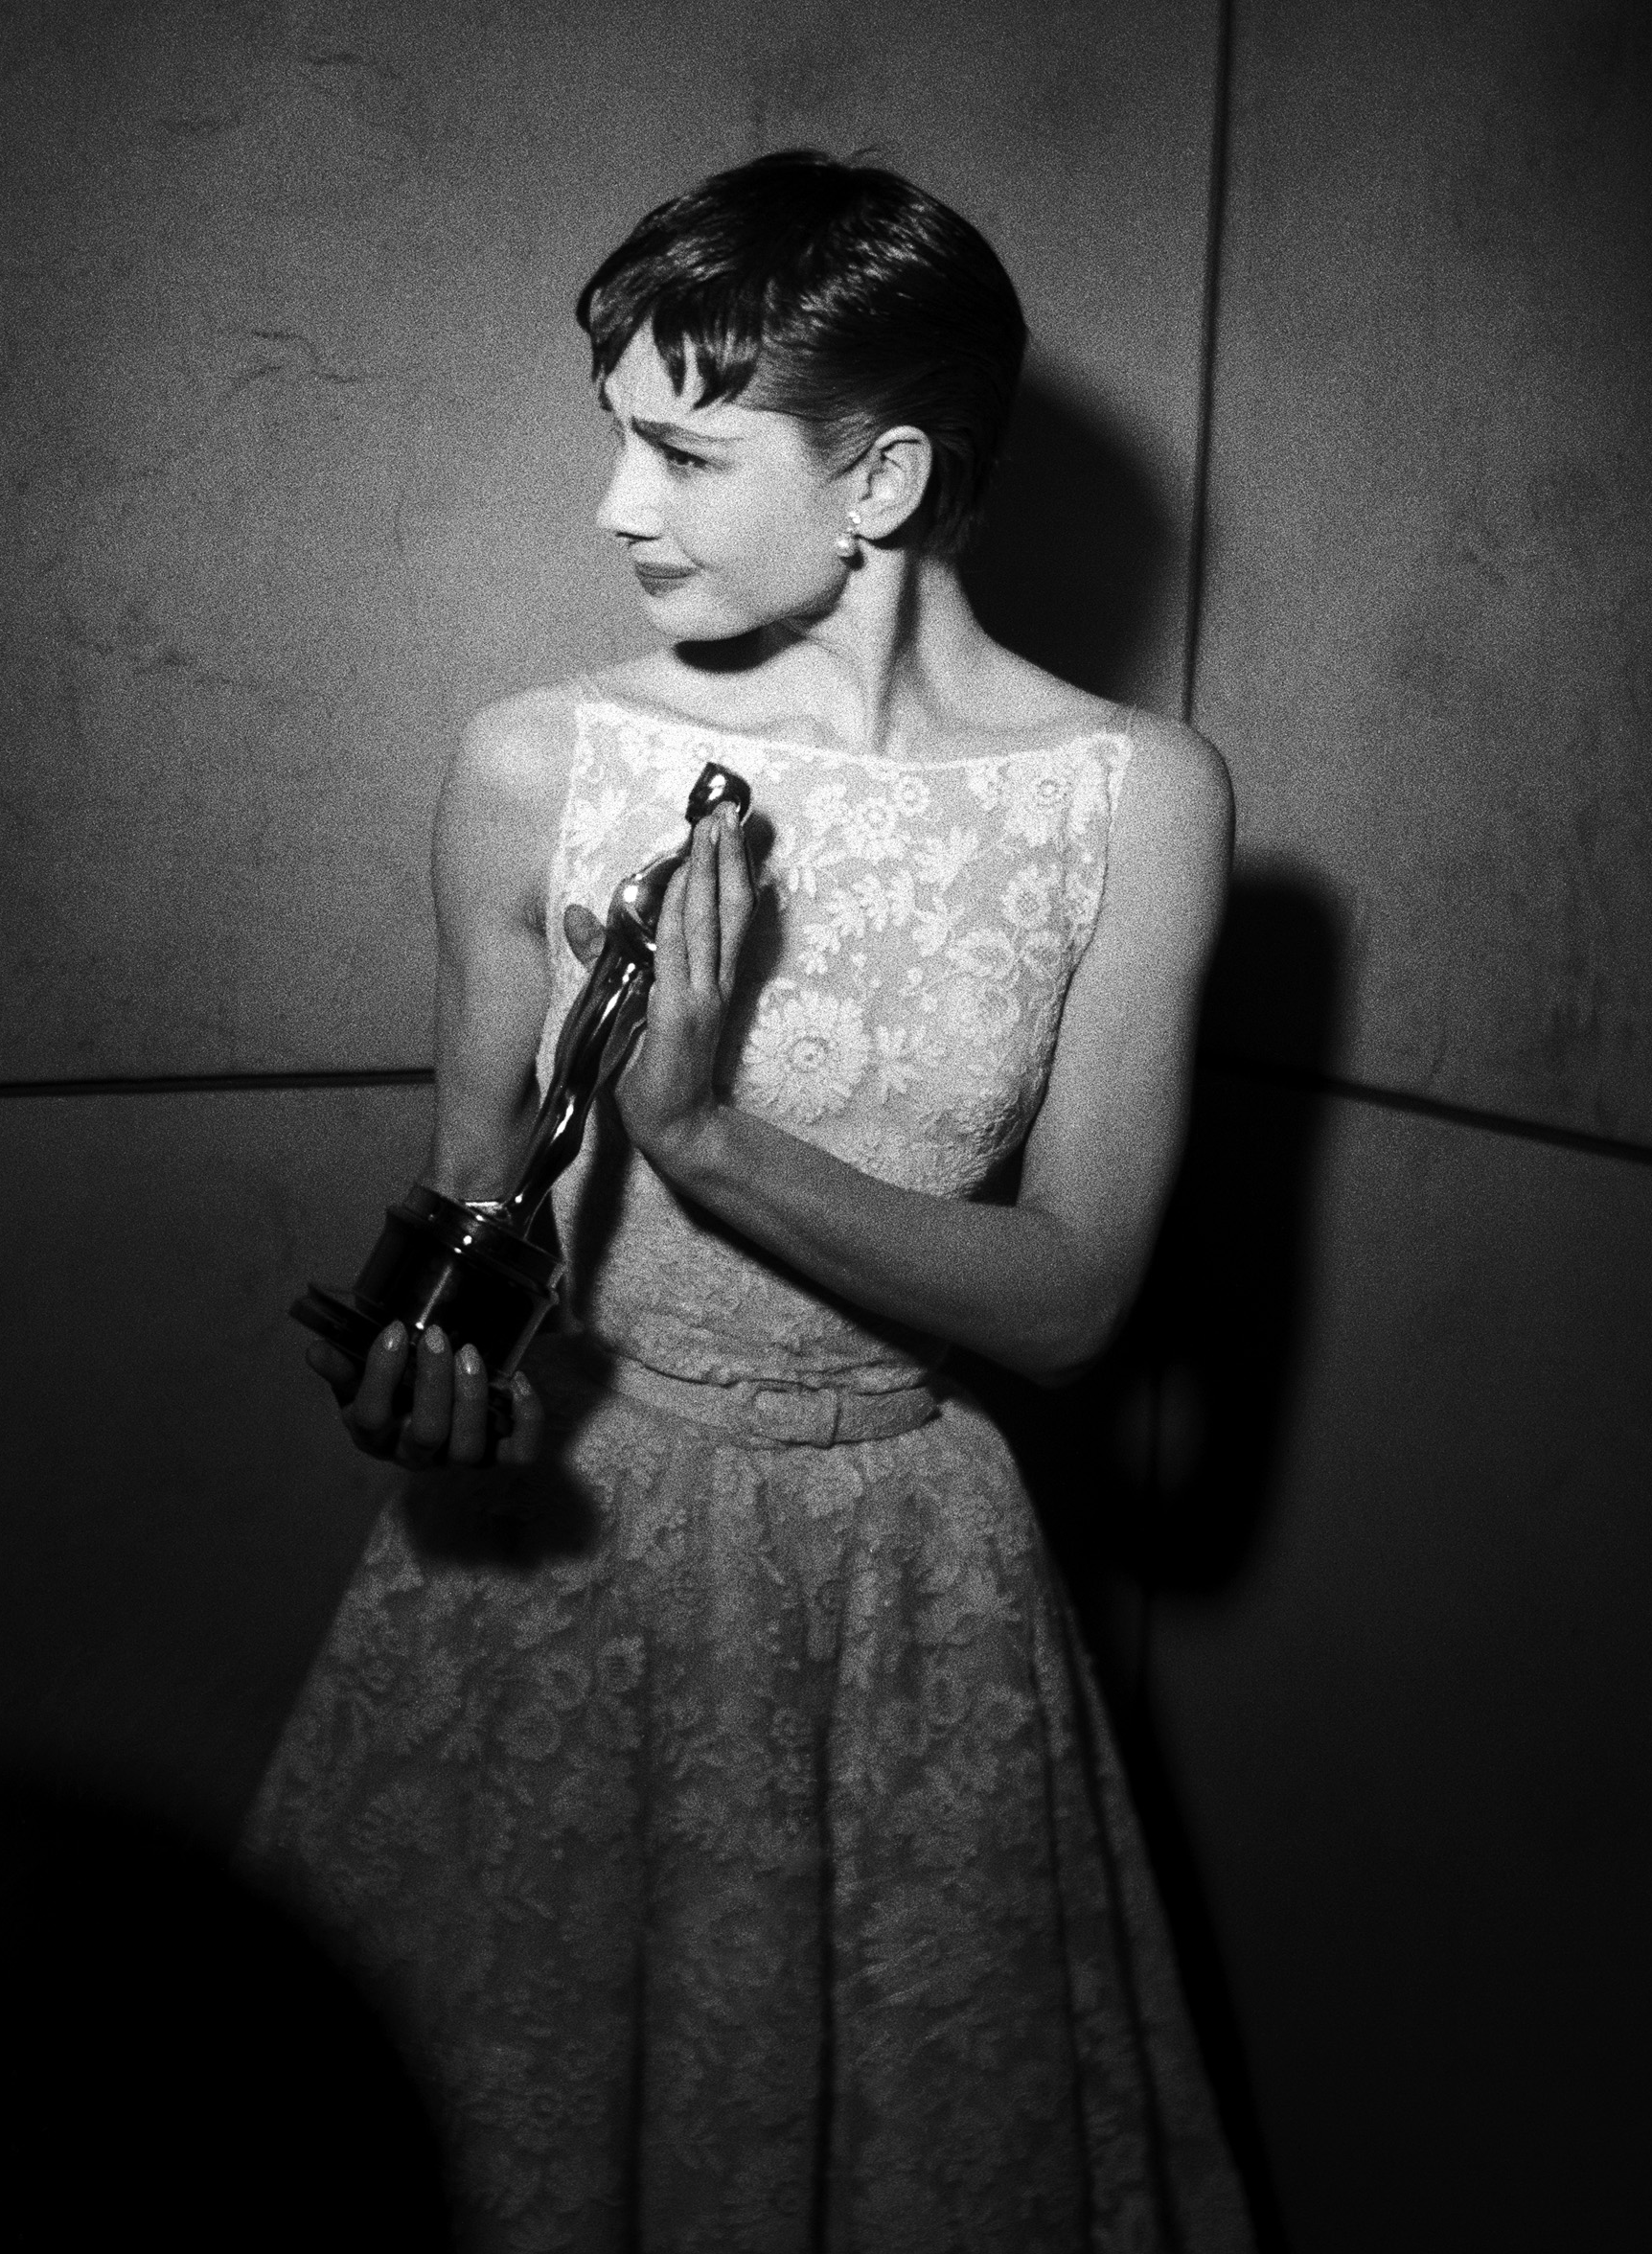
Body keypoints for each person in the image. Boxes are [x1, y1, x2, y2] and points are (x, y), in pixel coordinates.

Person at [243, 150, 1252, 2251]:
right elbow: (466, 1223)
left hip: (910, 1590)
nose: (618, 509)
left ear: (877, 483)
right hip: (555, 1574)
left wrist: (706, 1139)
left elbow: (1069, 1302)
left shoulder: (1131, 803)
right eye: (617, 438)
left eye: (683, 451)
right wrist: (429, 1388)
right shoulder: (532, 765)